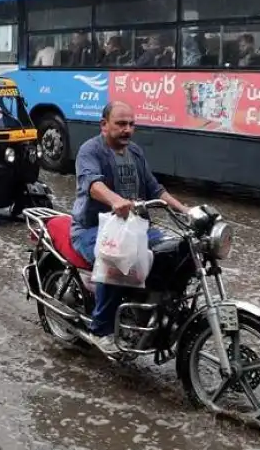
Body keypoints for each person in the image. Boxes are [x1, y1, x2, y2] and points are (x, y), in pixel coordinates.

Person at [70, 101, 189, 354]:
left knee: (175, 253)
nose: (127, 130)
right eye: (121, 124)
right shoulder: (90, 151)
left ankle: (153, 312)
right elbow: (92, 183)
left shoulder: (134, 152)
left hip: (134, 226)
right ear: (104, 125)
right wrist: (115, 200)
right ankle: (101, 329)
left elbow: (155, 188)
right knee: (119, 262)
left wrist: (186, 211)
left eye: (131, 124)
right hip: (93, 229)